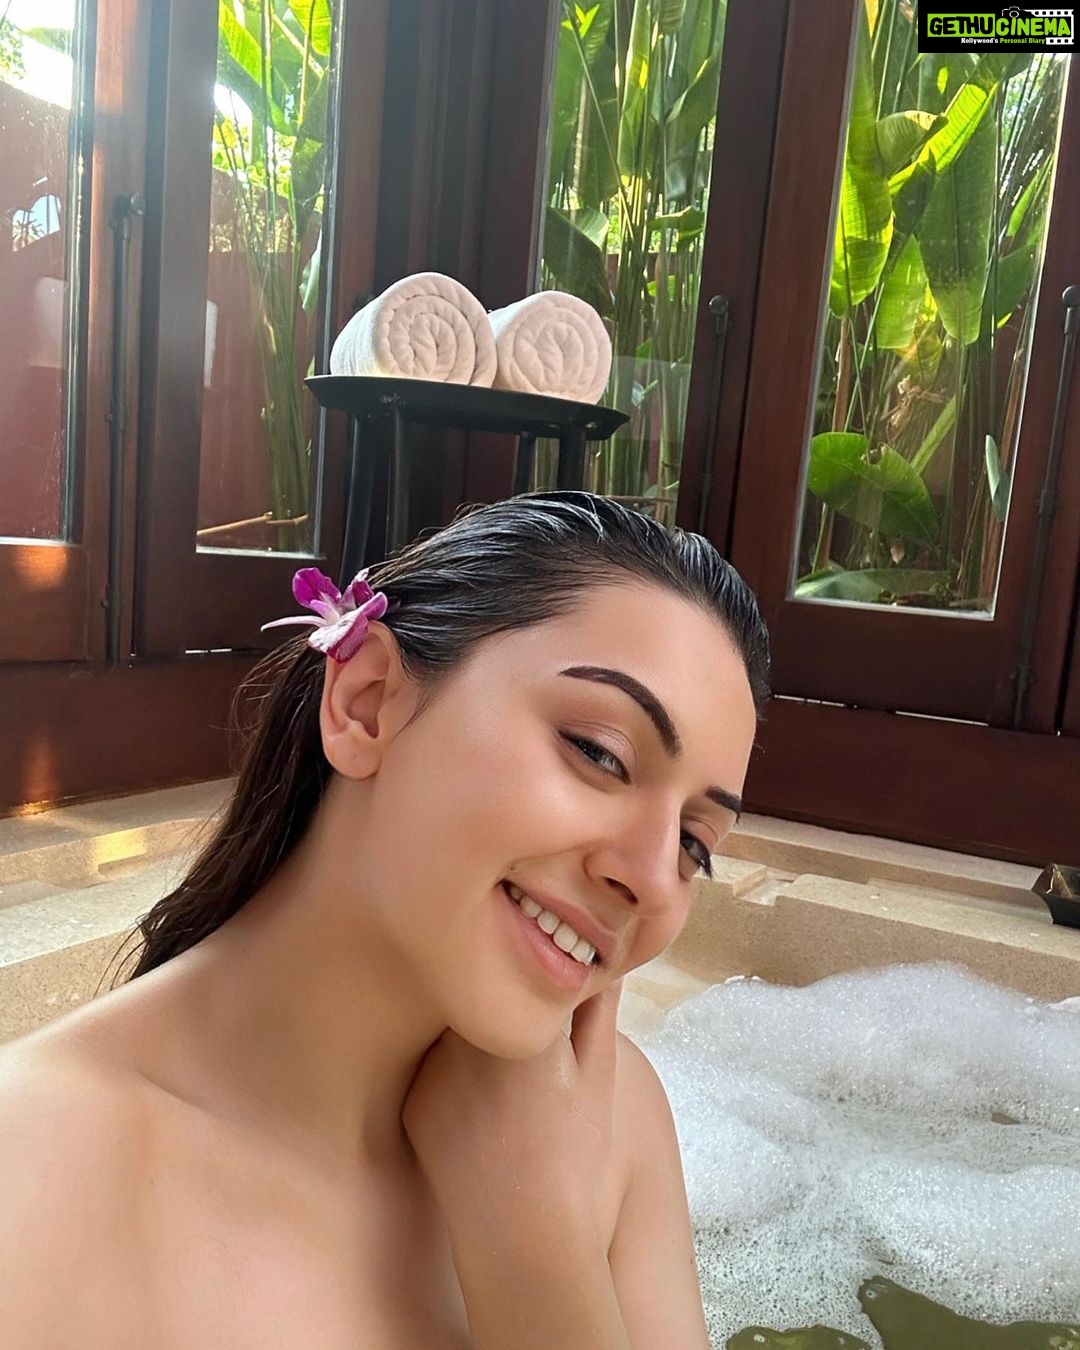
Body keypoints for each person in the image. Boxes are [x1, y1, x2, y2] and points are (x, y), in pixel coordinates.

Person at [0, 490, 768, 1349]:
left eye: (694, 844)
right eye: (600, 753)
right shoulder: (33, 1175)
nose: (653, 879)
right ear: (365, 703)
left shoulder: (611, 1125)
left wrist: (536, 1252)